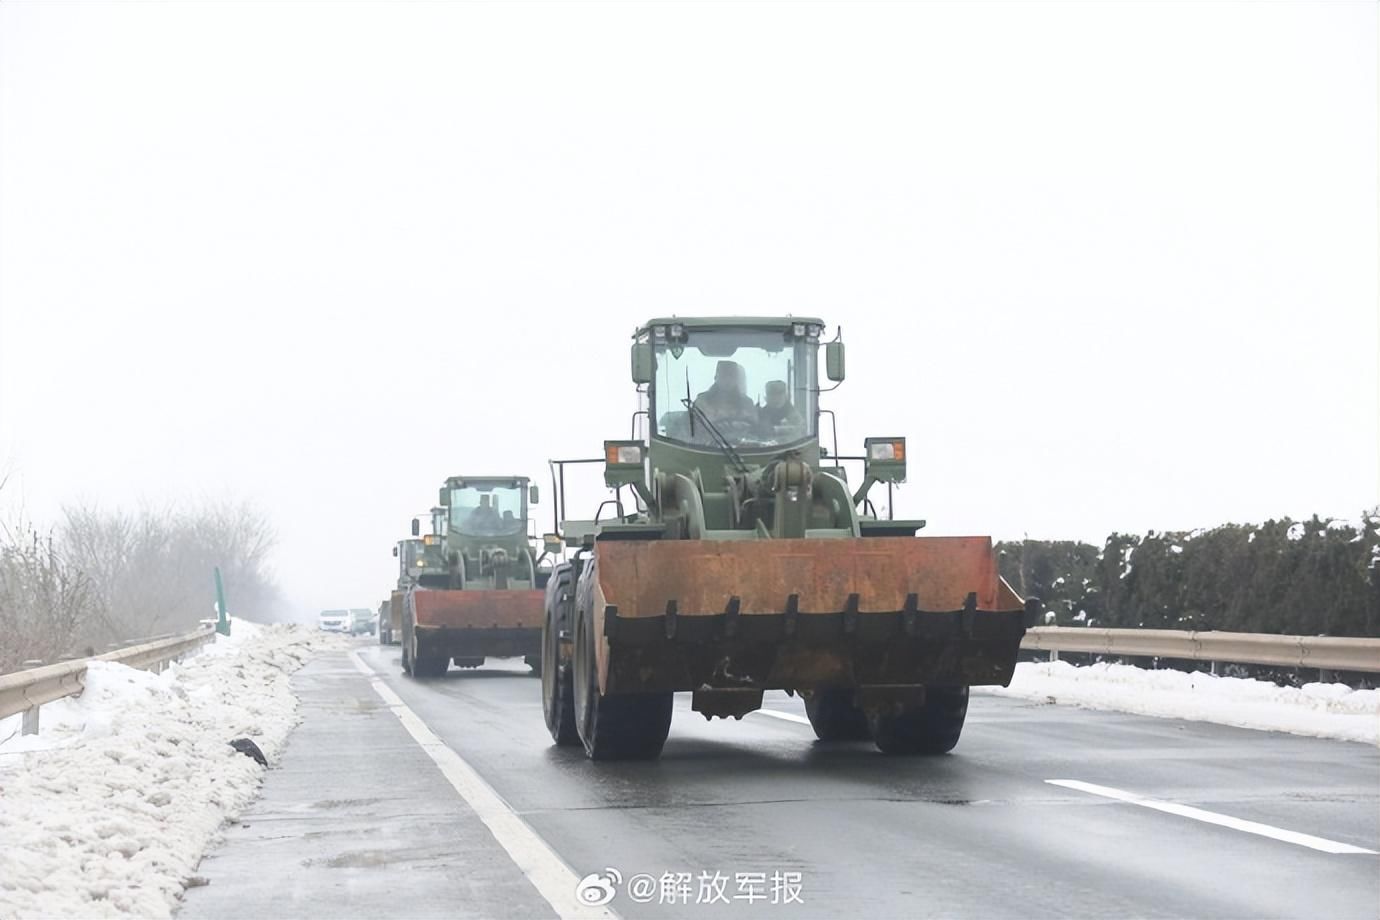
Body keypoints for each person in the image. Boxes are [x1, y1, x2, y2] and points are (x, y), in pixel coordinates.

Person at [693, 360, 757, 430]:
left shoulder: (747, 404)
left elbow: (755, 429)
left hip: (743, 439)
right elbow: (694, 428)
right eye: (724, 375)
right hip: (707, 440)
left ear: (736, 379)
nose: (728, 379)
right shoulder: (702, 401)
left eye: (731, 376)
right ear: (716, 377)